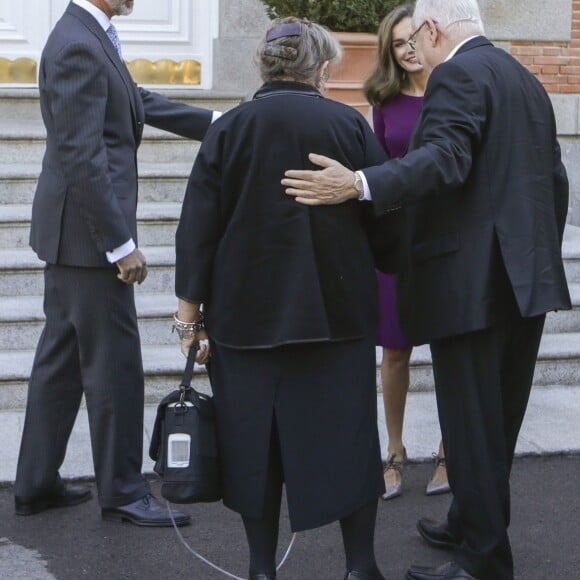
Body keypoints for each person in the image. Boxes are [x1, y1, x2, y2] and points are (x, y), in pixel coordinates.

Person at [281, 0, 571, 578]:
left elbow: (445, 158)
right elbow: (553, 179)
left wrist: (359, 182)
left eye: (418, 35)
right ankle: (471, 523)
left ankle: (482, 561)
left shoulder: (458, 73)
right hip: (523, 280)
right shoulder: (521, 77)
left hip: (471, 286)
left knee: (469, 426)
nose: (415, 49)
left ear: (435, 29)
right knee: (496, 424)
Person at [174, 17, 396, 580]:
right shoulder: (347, 123)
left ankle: (259, 568)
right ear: (323, 67)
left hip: (244, 320)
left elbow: (197, 229)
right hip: (337, 315)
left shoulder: (228, 130)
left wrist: (187, 322)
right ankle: (360, 566)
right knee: (347, 438)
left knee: (253, 448)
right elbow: (386, 229)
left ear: (263, 65)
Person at [14, 0, 219, 527]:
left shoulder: (87, 32)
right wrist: (119, 244)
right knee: (115, 367)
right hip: (86, 241)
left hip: (70, 236)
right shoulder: (78, 43)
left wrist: (217, 123)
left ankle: (35, 483)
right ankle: (125, 492)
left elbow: (134, 100)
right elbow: (82, 153)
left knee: (60, 363)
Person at [363, 3, 449, 501]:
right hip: (398, 242)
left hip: (444, 238)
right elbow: (376, 170)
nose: (408, 49)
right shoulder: (384, 100)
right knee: (395, 352)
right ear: (389, 51)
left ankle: (448, 452)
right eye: (398, 43)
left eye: (413, 38)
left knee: (449, 351)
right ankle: (393, 453)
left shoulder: (454, 91)